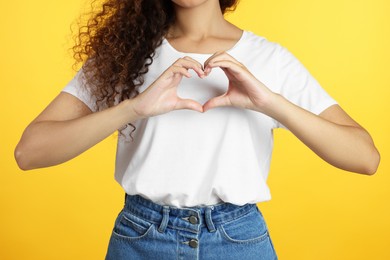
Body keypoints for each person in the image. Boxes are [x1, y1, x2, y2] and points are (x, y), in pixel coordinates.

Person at [14, 0, 380, 259]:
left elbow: (365, 157)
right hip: (140, 240)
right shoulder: (125, 55)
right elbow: (29, 152)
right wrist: (133, 108)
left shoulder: (269, 60)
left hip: (237, 242)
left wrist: (268, 102)